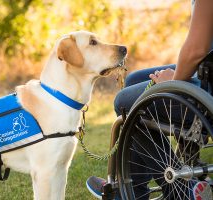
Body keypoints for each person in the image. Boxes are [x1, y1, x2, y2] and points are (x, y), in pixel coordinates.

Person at [86, 0, 213, 199]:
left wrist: (175, 81)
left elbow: (196, 50)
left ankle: (181, 190)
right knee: (134, 80)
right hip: (207, 74)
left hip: (208, 93)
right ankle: (132, 190)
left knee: (124, 102)